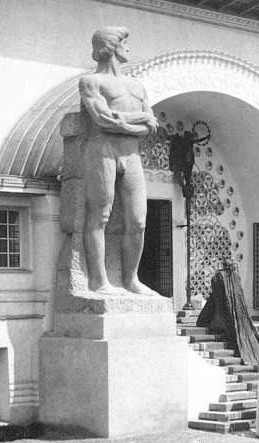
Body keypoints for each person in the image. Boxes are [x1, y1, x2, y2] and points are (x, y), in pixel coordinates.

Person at [78, 27, 159, 296]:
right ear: (111, 46)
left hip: (131, 153)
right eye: (125, 42)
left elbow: (151, 127)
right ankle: (98, 281)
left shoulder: (137, 86)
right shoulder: (91, 81)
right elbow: (103, 119)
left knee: (138, 221)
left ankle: (130, 279)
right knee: (99, 215)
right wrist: (141, 120)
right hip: (103, 151)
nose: (129, 47)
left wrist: (128, 124)